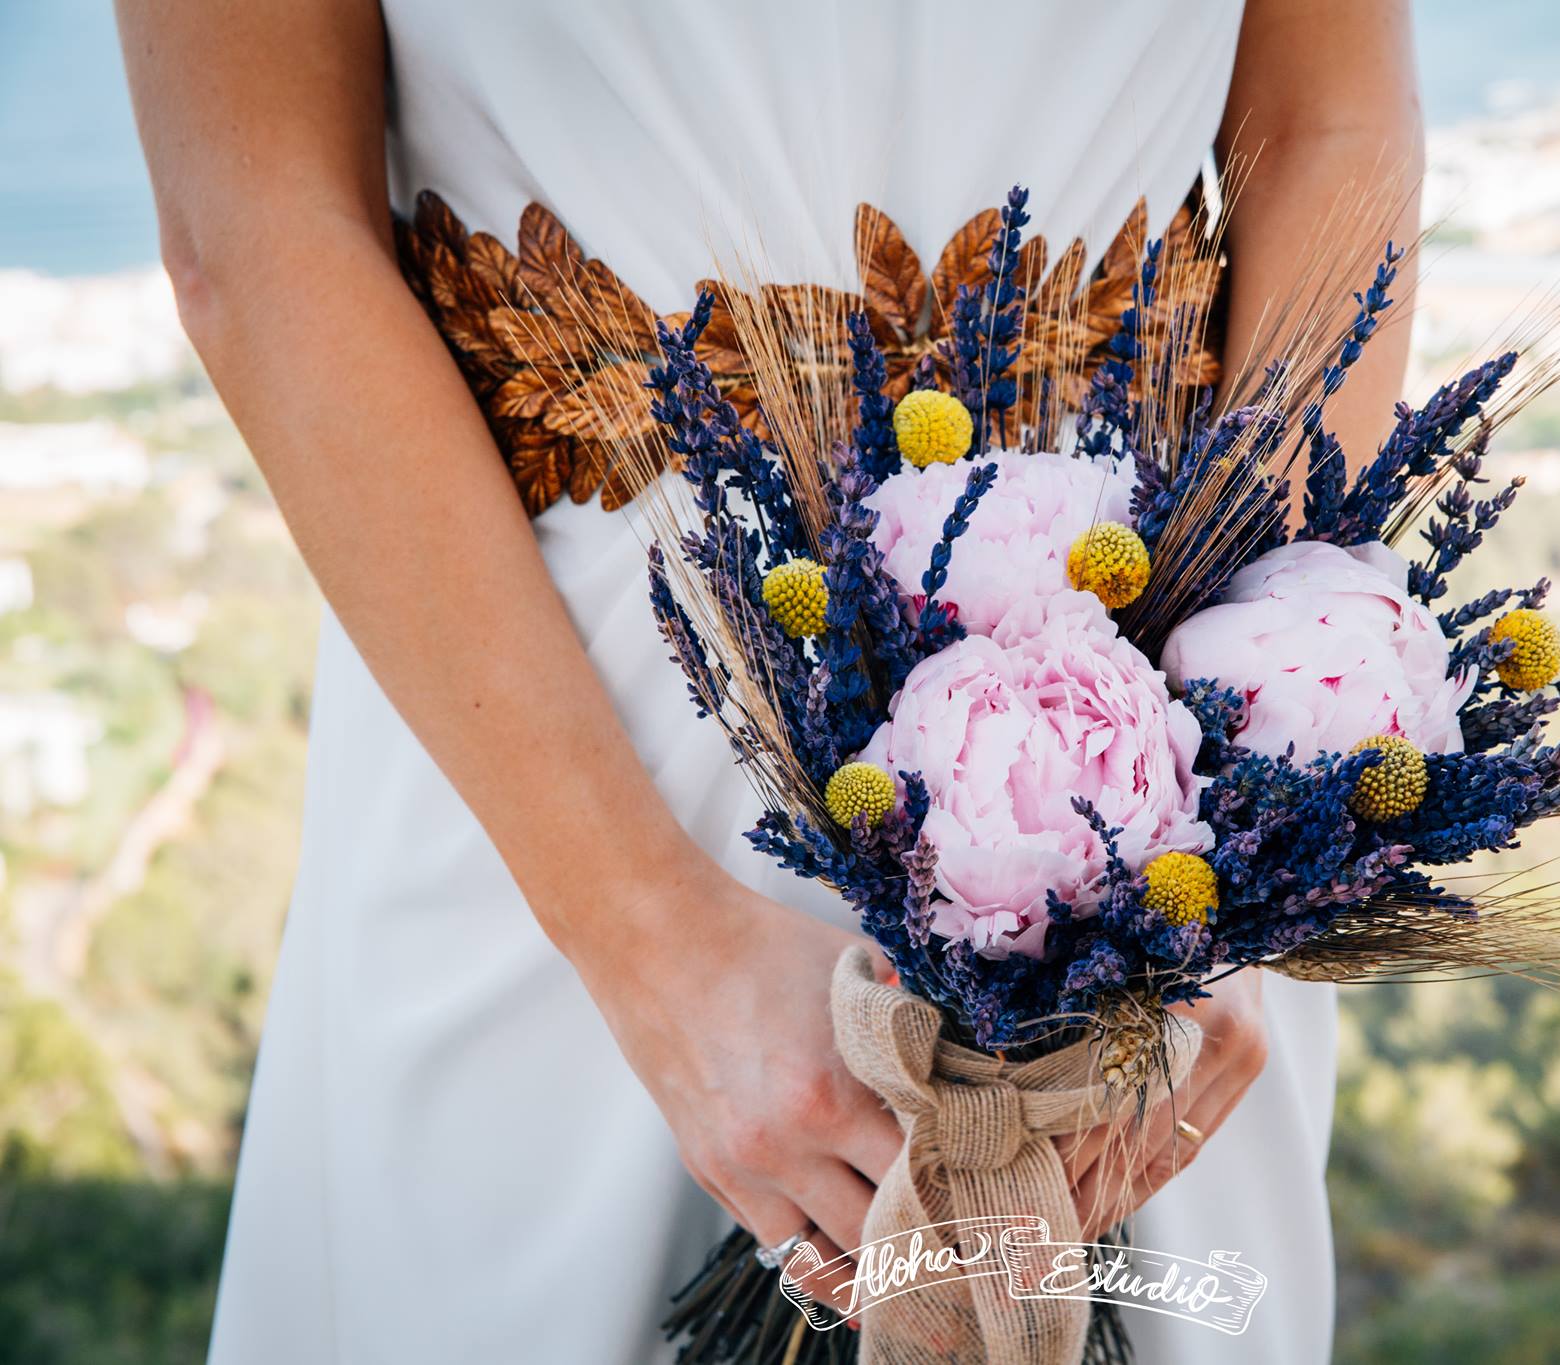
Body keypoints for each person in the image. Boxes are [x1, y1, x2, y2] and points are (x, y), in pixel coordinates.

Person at [115, 1, 1420, 1359]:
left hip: (1155, 765)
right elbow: (256, 221)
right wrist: (647, 939)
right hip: (559, 795)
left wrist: (1244, 818)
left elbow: (1331, 124)